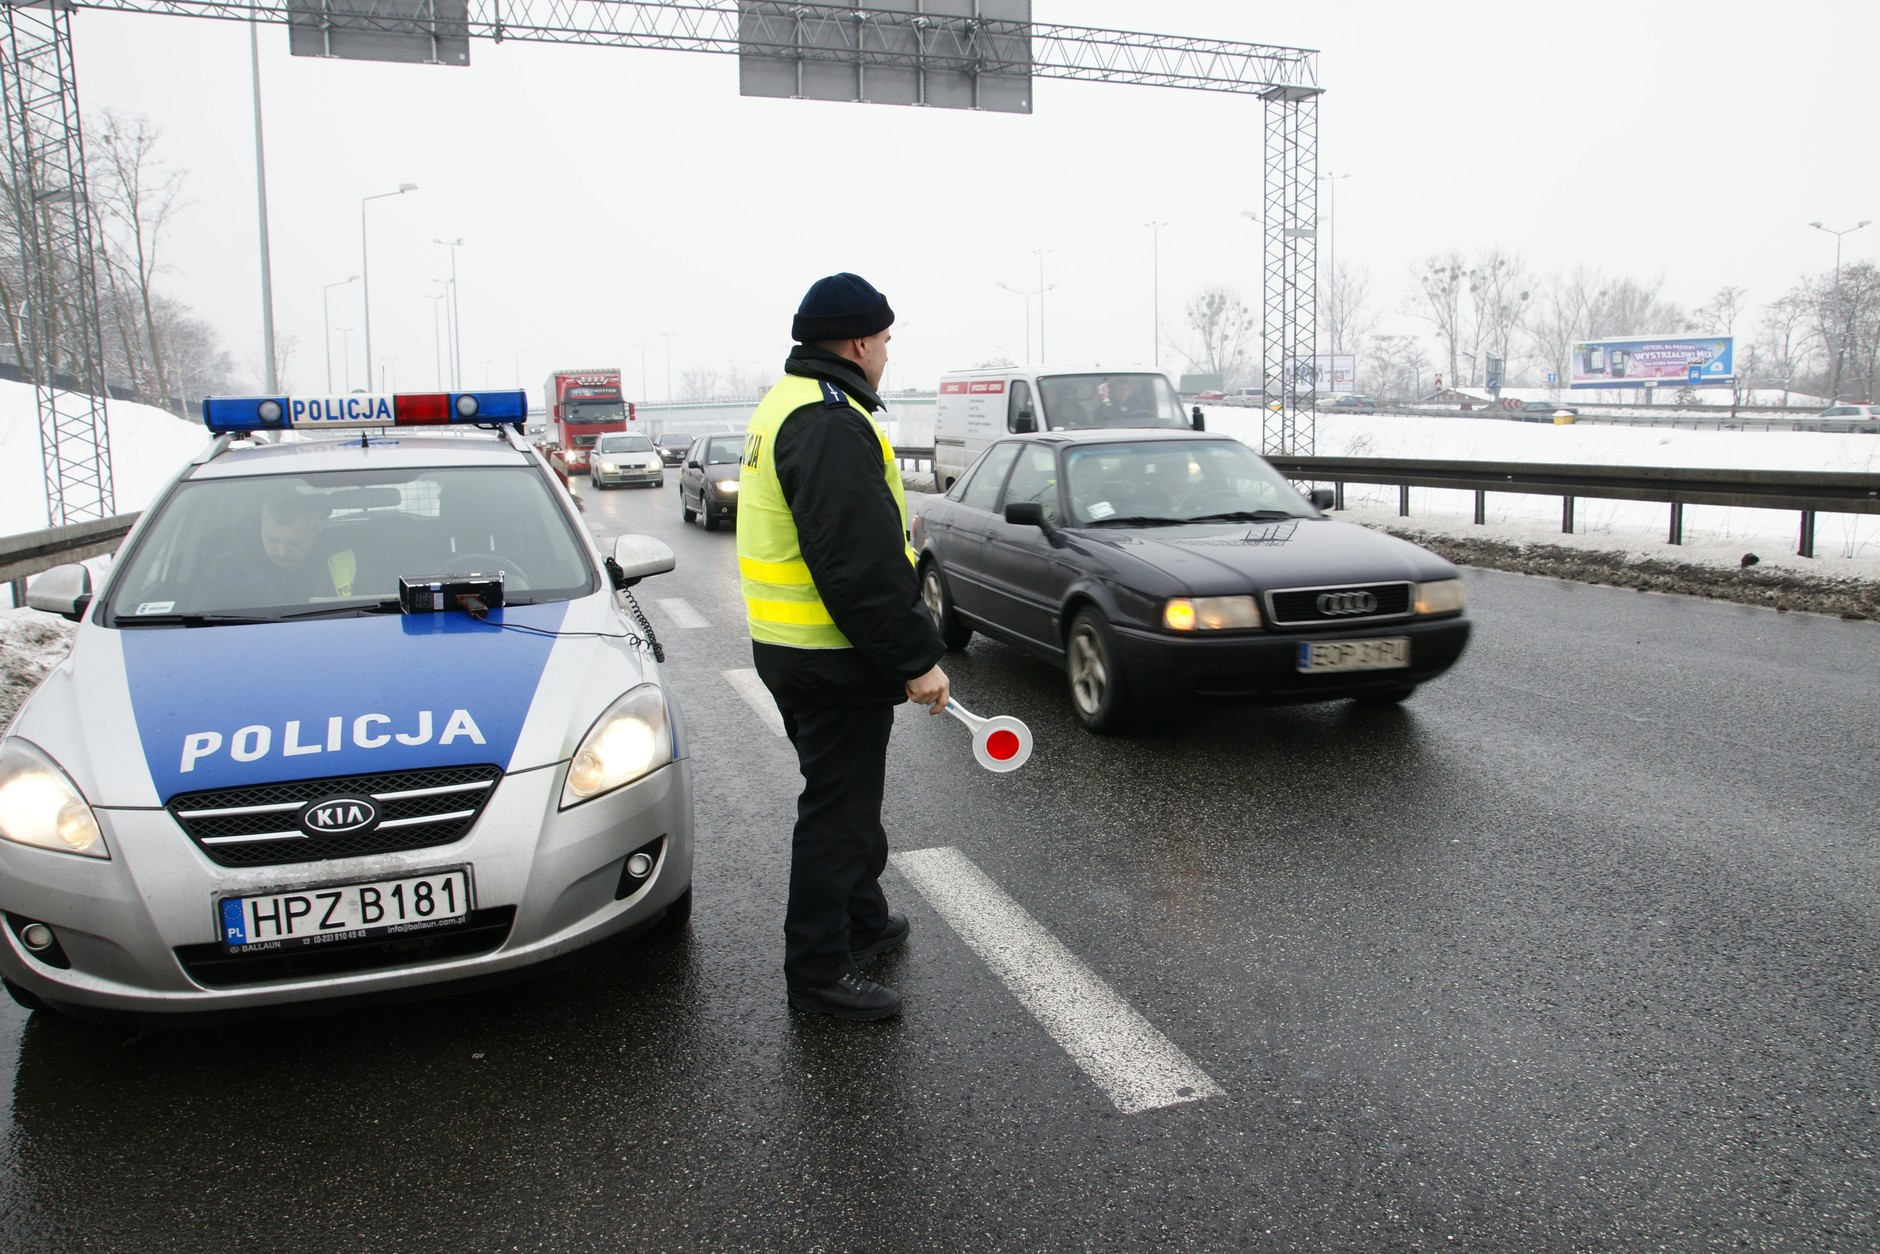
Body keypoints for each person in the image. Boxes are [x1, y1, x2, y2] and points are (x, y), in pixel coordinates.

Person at [737, 272, 950, 1021]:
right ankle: (820, 969)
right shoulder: (829, 420)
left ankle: (862, 918)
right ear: (860, 342)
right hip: (828, 657)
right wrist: (915, 661)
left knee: (847, 798)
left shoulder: (787, 403)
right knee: (837, 811)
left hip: (796, 649)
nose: (889, 354)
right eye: (886, 340)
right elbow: (858, 564)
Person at [200, 492, 355, 606]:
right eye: (273, 540)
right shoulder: (230, 568)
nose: (282, 552)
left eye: (294, 543)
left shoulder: (345, 559)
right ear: (262, 525)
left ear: (316, 532)